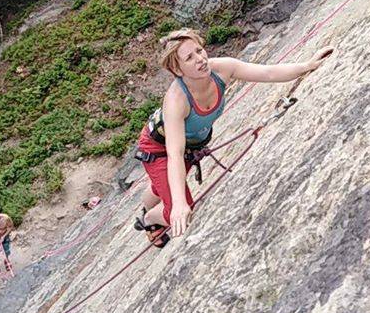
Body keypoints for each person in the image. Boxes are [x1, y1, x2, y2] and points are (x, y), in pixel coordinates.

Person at [134, 29, 333, 248]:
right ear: (177, 69)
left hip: (189, 144)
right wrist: (179, 204)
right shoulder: (176, 100)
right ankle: (149, 219)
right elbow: (175, 154)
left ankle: (153, 197)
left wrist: (307, 66)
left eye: (199, 50)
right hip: (158, 148)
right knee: (179, 208)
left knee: (166, 183)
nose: (200, 59)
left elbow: (268, 73)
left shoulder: (222, 69)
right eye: (189, 58)